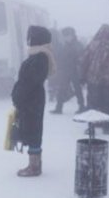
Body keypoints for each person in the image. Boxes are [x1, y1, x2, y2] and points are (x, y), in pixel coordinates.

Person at [11, 26, 56, 176]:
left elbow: (30, 81)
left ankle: (34, 166)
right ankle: (34, 164)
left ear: (37, 39)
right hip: (31, 99)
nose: (28, 40)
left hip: (32, 100)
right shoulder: (39, 55)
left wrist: (19, 95)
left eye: (30, 37)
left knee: (33, 130)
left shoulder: (40, 56)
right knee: (31, 129)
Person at [79, 24, 109, 133]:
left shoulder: (92, 46)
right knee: (107, 104)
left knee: (92, 104)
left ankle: (91, 126)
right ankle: (106, 126)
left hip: (93, 79)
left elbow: (83, 62)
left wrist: (82, 77)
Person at [50, 26, 86, 114]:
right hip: (66, 70)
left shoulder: (77, 45)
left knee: (77, 89)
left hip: (75, 71)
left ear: (72, 35)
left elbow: (82, 58)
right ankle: (59, 107)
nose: (66, 38)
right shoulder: (66, 45)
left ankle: (81, 106)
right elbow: (62, 57)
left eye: (68, 36)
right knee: (62, 89)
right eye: (65, 36)